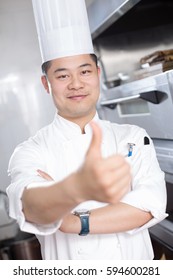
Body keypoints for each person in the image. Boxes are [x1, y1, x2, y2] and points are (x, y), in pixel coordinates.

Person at [7, 0, 167, 260]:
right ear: (46, 84)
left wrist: (72, 222)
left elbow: (150, 207)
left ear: (97, 73)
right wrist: (76, 189)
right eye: (62, 76)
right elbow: (30, 206)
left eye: (84, 71)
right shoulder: (29, 150)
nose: (76, 84)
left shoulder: (133, 137)